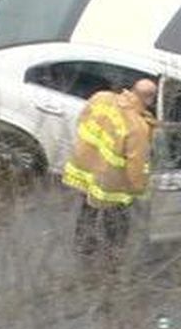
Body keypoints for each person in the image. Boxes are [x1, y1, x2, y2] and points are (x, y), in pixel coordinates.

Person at [62, 77, 158, 272]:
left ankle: (83, 249)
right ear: (149, 100)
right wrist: (140, 189)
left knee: (87, 209)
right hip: (111, 183)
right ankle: (111, 262)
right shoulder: (138, 127)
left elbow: (82, 120)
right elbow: (136, 167)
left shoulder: (102, 98)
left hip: (86, 169)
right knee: (116, 224)